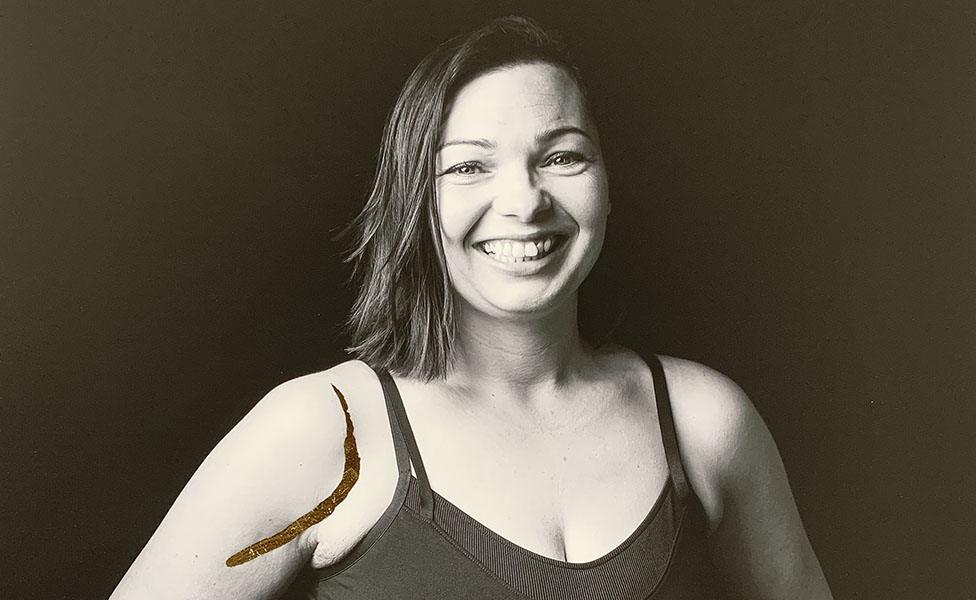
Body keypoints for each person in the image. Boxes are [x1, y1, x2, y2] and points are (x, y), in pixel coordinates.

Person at [110, 16, 833, 599]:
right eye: (468, 166)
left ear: (607, 186)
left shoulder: (705, 421)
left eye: (562, 156)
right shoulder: (323, 433)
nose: (523, 201)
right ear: (416, 204)